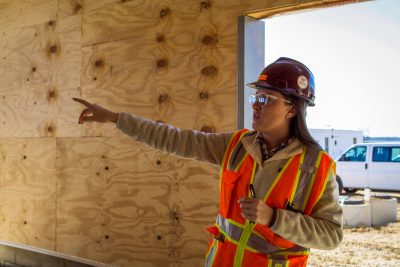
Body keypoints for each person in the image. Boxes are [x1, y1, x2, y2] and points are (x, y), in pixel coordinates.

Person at [73, 57, 343, 267]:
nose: (256, 105)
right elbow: (175, 139)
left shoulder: (315, 166)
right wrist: (114, 118)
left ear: (292, 109)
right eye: (255, 97)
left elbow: (331, 236)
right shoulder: (237, 146)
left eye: (266, 98)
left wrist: (273, 218)